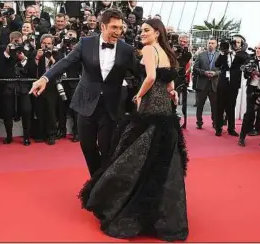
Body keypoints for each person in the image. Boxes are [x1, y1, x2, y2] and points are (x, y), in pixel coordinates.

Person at [77, 19, 189, 241]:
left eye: (146, 30)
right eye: (141, 30)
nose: (142, 34)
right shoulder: (167, 52)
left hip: (149, 110)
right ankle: (162, 215)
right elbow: (169, 80)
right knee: (163, 161)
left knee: (133, 157)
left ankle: (117, 201)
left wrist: (138, 94)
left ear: (157, 32)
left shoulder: (148, 49)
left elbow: (151, 77)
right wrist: (173, 92)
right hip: (166, 112)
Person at [29, 9, 137, 176]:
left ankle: (103, 185)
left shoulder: (127, 49)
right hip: (86, 102)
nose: (118, 31)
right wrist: (45, 78)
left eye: (120, 27)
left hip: (111, 105)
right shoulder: (86, 43)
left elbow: (140, 74)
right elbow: (65, 62)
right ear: (103, 26)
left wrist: (164, 85)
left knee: (107, 147)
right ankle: (96, 178)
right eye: (114, 27)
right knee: (87, 146)